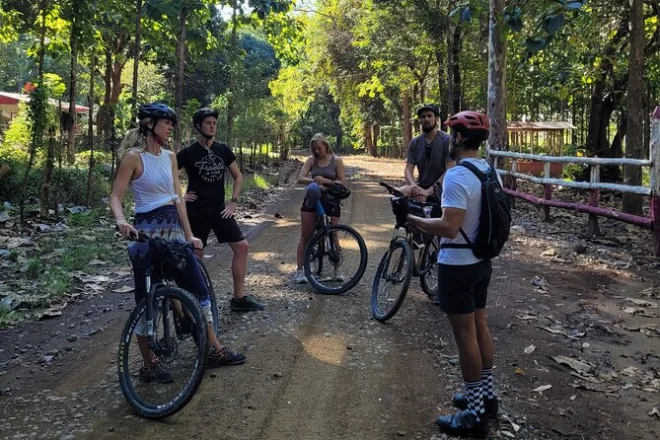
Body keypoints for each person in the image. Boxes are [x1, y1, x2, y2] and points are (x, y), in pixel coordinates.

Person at [109, 103, 246, 380]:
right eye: (166, 123)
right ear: (150, 125)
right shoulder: (133, 158)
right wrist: (121, 220)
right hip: (145, 233)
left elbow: (177, 199)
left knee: (198, 289)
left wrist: (189, 234)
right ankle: (149, 364)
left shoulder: (170, 157)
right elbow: (115, 196)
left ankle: (213, 348)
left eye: (172, 123)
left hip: (173, 230)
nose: (170, 127)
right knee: (145, 300)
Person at [404, 111, 498, 438]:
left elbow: (448, 226)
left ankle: (474, 417)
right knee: (480, 327)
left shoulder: (458, 176)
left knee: (466, 337)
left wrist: (412, 220)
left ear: (457, 138)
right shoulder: (488, 170)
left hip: (457, 265)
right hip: (481, 261)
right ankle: (486, 398)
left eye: (453, 135)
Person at [177, 108, 264, 312]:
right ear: (198, 126)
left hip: (220, 211)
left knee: (242, 247)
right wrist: (180, 197)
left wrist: (233, 202)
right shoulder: (188, 153)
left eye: (214, 123)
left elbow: (238, 176)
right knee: (196, 257)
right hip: (196, 212)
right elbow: (168, 176)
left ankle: (239, 299)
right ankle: (193, 304)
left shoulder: (223, 150)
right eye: (208, 123)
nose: (212, 126)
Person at [292, 133, 346, 284]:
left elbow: (341, 182)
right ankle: (300, 270)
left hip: (331, 200)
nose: (316, 151)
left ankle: (337, 269)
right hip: (313, 199)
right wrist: (315, 182)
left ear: (326, 146)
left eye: (319, 148)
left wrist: (325, 181)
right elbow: (300, 178)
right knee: (306, 236)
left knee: (333, 234)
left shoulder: (336, 161)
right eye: (314, 149)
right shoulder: (311, 160)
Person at [399, 104, 455, 202]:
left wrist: (428, 192)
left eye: (429, 116)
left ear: (436, 118)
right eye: (423, 117)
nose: (426, 119)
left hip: (442, 189)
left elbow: (450, 170)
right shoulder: (415, 143)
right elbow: (408, 170)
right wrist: (415, 188)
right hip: (421, 187)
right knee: (399, 193)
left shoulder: (446, 140)